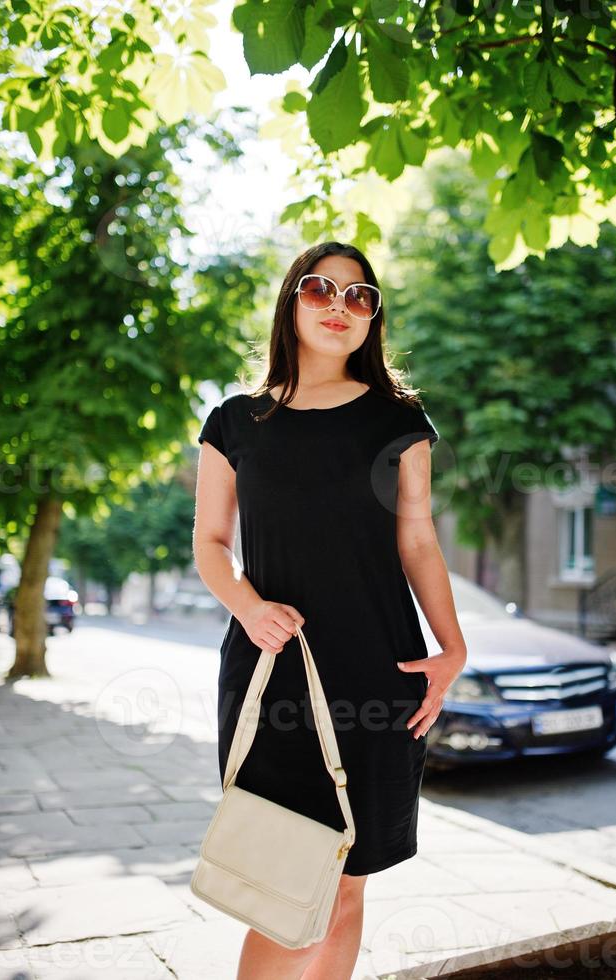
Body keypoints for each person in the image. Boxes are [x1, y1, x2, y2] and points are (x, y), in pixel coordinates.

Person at [193, 241, 467, 980]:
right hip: (274, 670)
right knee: (287, 892)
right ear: (291, 302)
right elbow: (211, 543)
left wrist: (452, 649)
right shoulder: (236, 422)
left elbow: (418, 538)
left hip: (379, 671)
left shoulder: (397, 420)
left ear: (374, 317)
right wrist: (248, 608)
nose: (339, 306)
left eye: (359, 295)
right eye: (320, 288)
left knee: (348, 885)